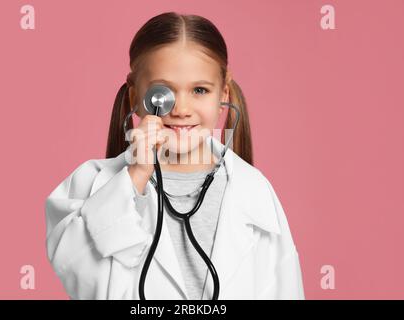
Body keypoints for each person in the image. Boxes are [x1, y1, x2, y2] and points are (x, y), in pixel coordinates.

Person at [45, 11, 305, 300]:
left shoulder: (254, 191)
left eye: (199, 90)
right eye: (163, 92)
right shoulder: (92, 184)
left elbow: (286, 290)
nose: (181, 109)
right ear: (135, 97)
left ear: (223, 96)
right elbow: (79, 275)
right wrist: (135, 178)